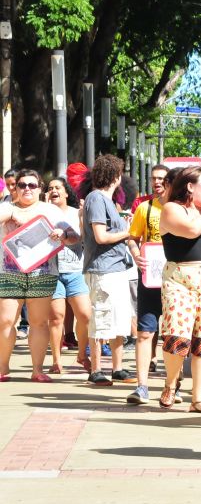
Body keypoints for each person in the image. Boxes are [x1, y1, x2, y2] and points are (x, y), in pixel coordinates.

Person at [0, 170, 78, 382]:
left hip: (42, 272)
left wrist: (62, 235)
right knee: (6, 321)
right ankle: (3, 367)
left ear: (39, 189)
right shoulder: (6, 207)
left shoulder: (50, 211)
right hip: (9, 271)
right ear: (15, 188)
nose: (27, 189)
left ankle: (37, 370)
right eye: (22, 185)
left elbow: (73, 236)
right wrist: (11, 215)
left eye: (32, 185)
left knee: (39, 322)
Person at [157, 166, 201, 412]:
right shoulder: (172, 209)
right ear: (189, 186)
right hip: (179, 277)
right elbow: (192, 230)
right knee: (177, 332)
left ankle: (199, 397)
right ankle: (171, 382)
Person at [81, 155, 134, 386]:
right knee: (101, 317)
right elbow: (101, 236)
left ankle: (117, 367)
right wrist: (128, 232)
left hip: (116, 267)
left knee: (119, 319)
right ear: (116, 176)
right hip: (102, 269)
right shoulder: (96, 198)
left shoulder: (107, 201)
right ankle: (96, 369)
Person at [124, 164, 169, 404]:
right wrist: (136, 253)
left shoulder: (181, 209)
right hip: (149, 277)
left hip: (176, 281)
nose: (158, 183)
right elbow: (133, 238)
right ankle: (142, 386)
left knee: (175, 335)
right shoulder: (145, 208)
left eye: (162, 179)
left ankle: (173, 385)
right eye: (154, 179)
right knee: (144, 332)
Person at [43, 177, 91, 375]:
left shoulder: (75, 213)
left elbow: (80, 237)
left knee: (85, 315)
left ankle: (81, 355)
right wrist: (45, 210)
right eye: (50, 188)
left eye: (57, 188)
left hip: (75, 270)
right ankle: (56, 360)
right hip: (51, 271)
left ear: (65, 192)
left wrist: (64, 235)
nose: (53, 191)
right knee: (56, 318)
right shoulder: (42, 213)